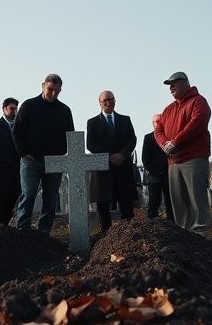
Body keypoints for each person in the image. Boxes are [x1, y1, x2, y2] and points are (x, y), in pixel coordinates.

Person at [13, 73, 75, 233]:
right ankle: (23, 230)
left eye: (57, 90)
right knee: (29, 194)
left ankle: (43, 232)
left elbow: (71, 135)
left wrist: (64, 155)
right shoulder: (28, 106)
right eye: (50, 89)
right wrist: (22, 152)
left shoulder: (64, 110)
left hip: (55, 161)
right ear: (43, 86)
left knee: (50, 199)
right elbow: (17, 131)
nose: (53, 93)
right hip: (31, 160)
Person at [154, 72, 211, 231]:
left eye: (174, 83)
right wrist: (165, 143)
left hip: (193, 158)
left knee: (196, 198)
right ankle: (184, 235)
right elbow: (158, 130)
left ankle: (200, 234)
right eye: (169, 85)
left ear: (186, 83)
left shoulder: (198, 101)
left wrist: (176, 142)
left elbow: (197, 123)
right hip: (173, 161)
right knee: (179, 201)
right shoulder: (168, 109)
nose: (171, 87)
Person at [86, 90, 138, 231]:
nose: (108, 102)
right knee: (103, 205)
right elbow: (91, 144)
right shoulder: (92, 123)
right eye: (105, 100)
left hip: (123, 167)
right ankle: (105, 235)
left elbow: (132, 139)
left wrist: (122, 154)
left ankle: (128, 234)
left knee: (126, 203)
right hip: (103, 169)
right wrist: (109, 156)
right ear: (100, 103)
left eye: (111, 99)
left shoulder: (125, 120)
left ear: (115, 100)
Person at [142, 115, 174, 221]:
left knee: (171, 201)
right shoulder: (148, 137)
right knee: (154, 200)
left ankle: (172, 222)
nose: (158, 124)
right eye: (156, 122)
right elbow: (145, 159)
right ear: (153, 124)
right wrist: (156, 172)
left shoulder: (169, 137)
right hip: (154, 175)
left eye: (160, 122)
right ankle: (152, 222)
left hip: (169, 174)